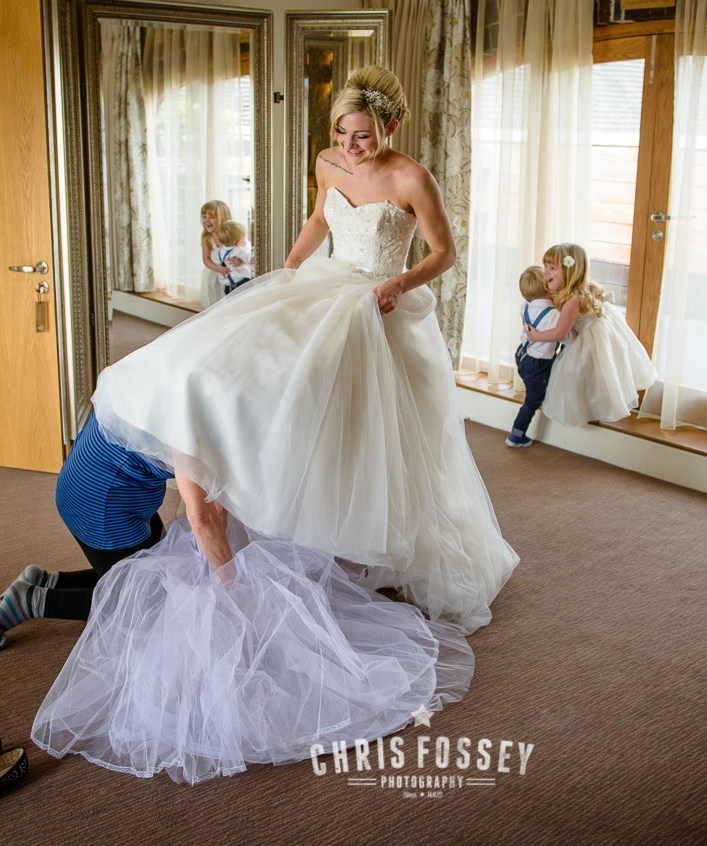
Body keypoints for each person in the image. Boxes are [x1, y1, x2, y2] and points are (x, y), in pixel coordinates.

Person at [31, 66, 514, 783]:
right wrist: (290, 267)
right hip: (323, 287)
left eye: (363, 136)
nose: (349, 149)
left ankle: (369, 541)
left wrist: (395, 284)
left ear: (390, 127)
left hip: (376, 301)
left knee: (376, 433)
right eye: (341, 135)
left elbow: (445, 252)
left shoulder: (412, 177)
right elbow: (321, 219)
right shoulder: (327, 163)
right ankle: (304, 522)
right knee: (280, 395)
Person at [0, 414, 231, 649]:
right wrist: (232, 585)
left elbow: (213, 496)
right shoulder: (188, 423)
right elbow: (202, 519)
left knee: (157, 568)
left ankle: (48, 581)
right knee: (148, 607)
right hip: (99, 501)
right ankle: (30, 601)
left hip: (110, 480)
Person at [526, 243, 655, 427]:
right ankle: (591, 406)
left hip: (592, 335)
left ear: (569, 271)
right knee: (593, 372)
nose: (545, 272)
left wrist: (536, 336)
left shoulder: (573, 299)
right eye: (545, 266)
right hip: (596, 328)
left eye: (552, 268)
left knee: (580, 371)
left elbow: (560, 332)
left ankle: (592, 407)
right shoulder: (571, 291)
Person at [506, 266, 562, 448]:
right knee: (532, 401)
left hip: (522, 355)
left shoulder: (525, 306)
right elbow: (564, 336)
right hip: (538, 363)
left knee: (533, 390)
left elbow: (525, 323)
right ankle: (516, 436)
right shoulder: (555, 315)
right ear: (548, 288)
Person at [199, 200, 231, 308]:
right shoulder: (207, 238)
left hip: (229, 273)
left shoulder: (231, 235)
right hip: (214, 273)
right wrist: (218, 268)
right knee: (214, 299)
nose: (207, 220)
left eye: (211, 217)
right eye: (204, 217)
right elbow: (206, 259)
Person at [211, 220, 254, 295]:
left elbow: (217, 264)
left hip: (228, 286)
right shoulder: (239, 251)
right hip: (243, 282)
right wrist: (242, 262)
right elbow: (253, 260)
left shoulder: (217, 252)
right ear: (238, 242)